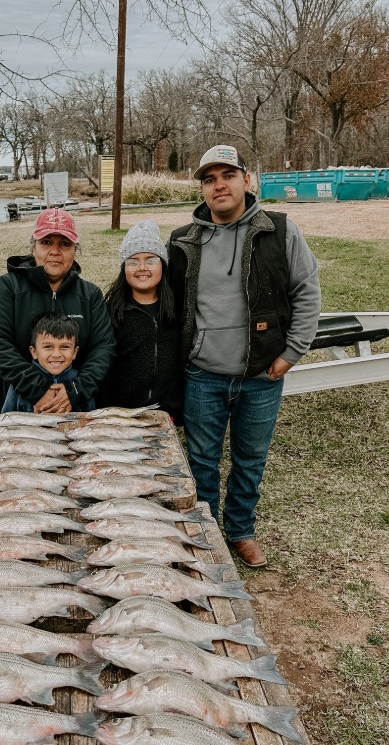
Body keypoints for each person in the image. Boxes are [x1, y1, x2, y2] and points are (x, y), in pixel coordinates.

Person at [168, 144, 321, 567]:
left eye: (227, 175)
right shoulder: (184, 241)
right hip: (203, 374)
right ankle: (204, 532)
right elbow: (165, 303)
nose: (219, 185)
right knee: (200, 459)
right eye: (209, 179)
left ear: (246, 179)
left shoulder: (280, 231)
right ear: (202, 188)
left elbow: (307, 293)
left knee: (250, 458)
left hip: (261, 374)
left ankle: (239, 530)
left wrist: (291, 353)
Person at [0, 207, 115, 417]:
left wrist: (75, 391)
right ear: (33, 248)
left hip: (75, 404)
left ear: (75, 250)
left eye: (64, 244)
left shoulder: (90, 295)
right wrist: (35, 390)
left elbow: (103, 347)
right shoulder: (9, 287)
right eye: (46, 242)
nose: (55, 251)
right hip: (14, 399)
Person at [99, 220, 183, 421]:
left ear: (162, 264)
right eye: (133, 261)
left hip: (165, 411)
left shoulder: (176, 308)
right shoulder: (112, 310)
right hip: (121, 412)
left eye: (151, 260)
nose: (142, 267)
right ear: (123, 268)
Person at [1, 313, 95, 412]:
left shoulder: (80, 382)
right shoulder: (21, 383)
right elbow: (7, 418)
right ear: (34, 352)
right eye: (48, 347)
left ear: (75, 352)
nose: (56, 354)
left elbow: (90, 418)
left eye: (65, 347)